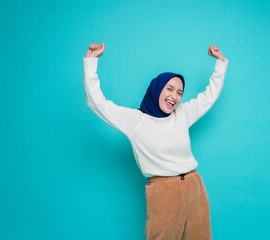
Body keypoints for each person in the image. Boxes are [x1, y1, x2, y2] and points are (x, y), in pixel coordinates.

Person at [83, 42, 228, 240]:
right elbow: (97, 102)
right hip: (163, 191)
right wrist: (91, 61)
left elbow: (209, 96)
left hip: (195, 186)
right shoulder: (135, 120)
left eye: (179, 92)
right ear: (157, 88)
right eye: (169, 89)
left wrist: (220, 63)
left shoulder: (182, 114)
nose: (174, 96)